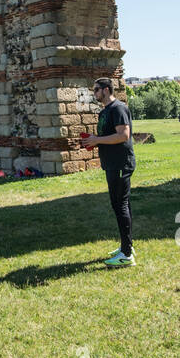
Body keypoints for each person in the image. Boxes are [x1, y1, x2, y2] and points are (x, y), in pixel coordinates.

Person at [80, 78, 136, 267]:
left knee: (119, 205)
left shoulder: (118, 108)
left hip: (120, 163)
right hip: (112, 163)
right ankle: (126, 246)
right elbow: (107, 136)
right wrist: (94, 141)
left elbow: (124, 135)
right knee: (121, 204)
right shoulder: (105, 111)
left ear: (105, 90)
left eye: (96, 90)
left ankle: (126, 255)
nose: (94, 93)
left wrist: (97, 140)